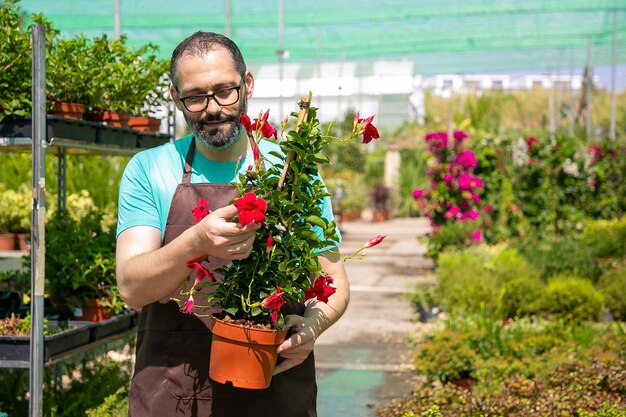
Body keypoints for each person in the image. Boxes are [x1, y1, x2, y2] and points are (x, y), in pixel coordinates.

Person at [115, 31, 349, 417]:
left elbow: (335, 282)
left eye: (226, 91)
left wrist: (311, 327)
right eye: (195, 96)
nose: (213, 108)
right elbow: (131, 287)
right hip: (173, 392)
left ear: (248, 84)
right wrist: (195, 242)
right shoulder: (149, 169)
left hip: (276, 386)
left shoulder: (292, 172)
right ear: (176, 98)